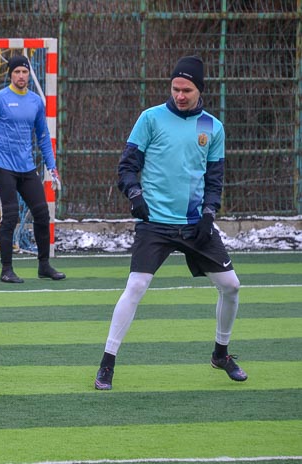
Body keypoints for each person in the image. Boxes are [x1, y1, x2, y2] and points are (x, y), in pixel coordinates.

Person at [94, 55, 247, 391]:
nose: (180, 95)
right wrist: (134, 194)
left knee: (232, 286)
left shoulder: (211, 127)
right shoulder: (151, 118)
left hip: (195, 225)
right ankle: (107, 364)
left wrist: (209, 213)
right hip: (156, 224)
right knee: (135, 287)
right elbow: (127, 166)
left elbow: (215, 178)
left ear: (199, 90)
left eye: (187, 90)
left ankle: (221, 354)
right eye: (176, 88)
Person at [0, 55, 66, 284]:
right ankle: (6, 270)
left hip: (27, 168)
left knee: (42, 213)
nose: (21, 76)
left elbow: (43, 137)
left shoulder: (35, 102)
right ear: (10, 75)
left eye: (24, 72)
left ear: (29, 75)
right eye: (17, 72)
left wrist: (52, 167)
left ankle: (44, 265)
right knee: (10, 217)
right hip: (1, 167)